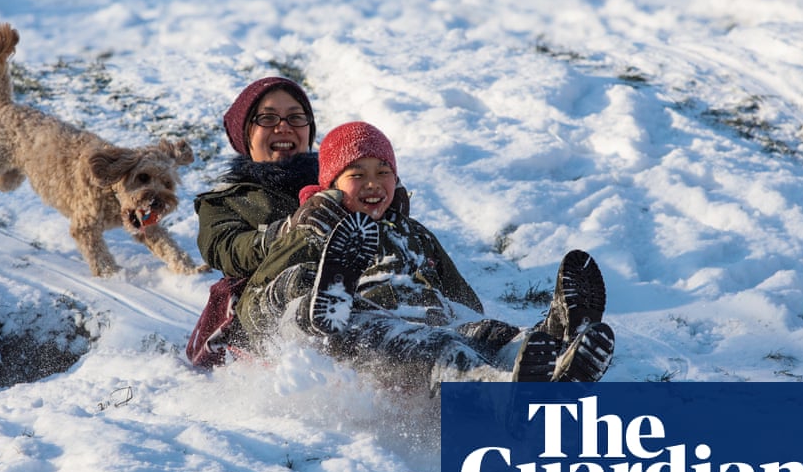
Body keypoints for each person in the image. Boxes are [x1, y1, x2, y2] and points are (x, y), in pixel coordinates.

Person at [235, 121, 615, 391]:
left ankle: (555, 346)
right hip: (364, 330)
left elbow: (464, 301)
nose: (373, 183)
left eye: (384, 172)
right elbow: (257, 303)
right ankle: (495, 391)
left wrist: (479, 327)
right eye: (357, 173)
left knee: (480, 333)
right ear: (331, 185)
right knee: (438, 348)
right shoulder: (313, 227)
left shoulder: (412, 234)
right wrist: (299, 297)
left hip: (430, 318)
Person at [186, 77, 321, 366]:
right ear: (246, 134)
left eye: (296, 117)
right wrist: (283, 233)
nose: (283, 126)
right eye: (268, 117)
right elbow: (228, 248)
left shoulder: (340, 188)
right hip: (266, 315)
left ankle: (442, 394)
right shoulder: (223, 202)